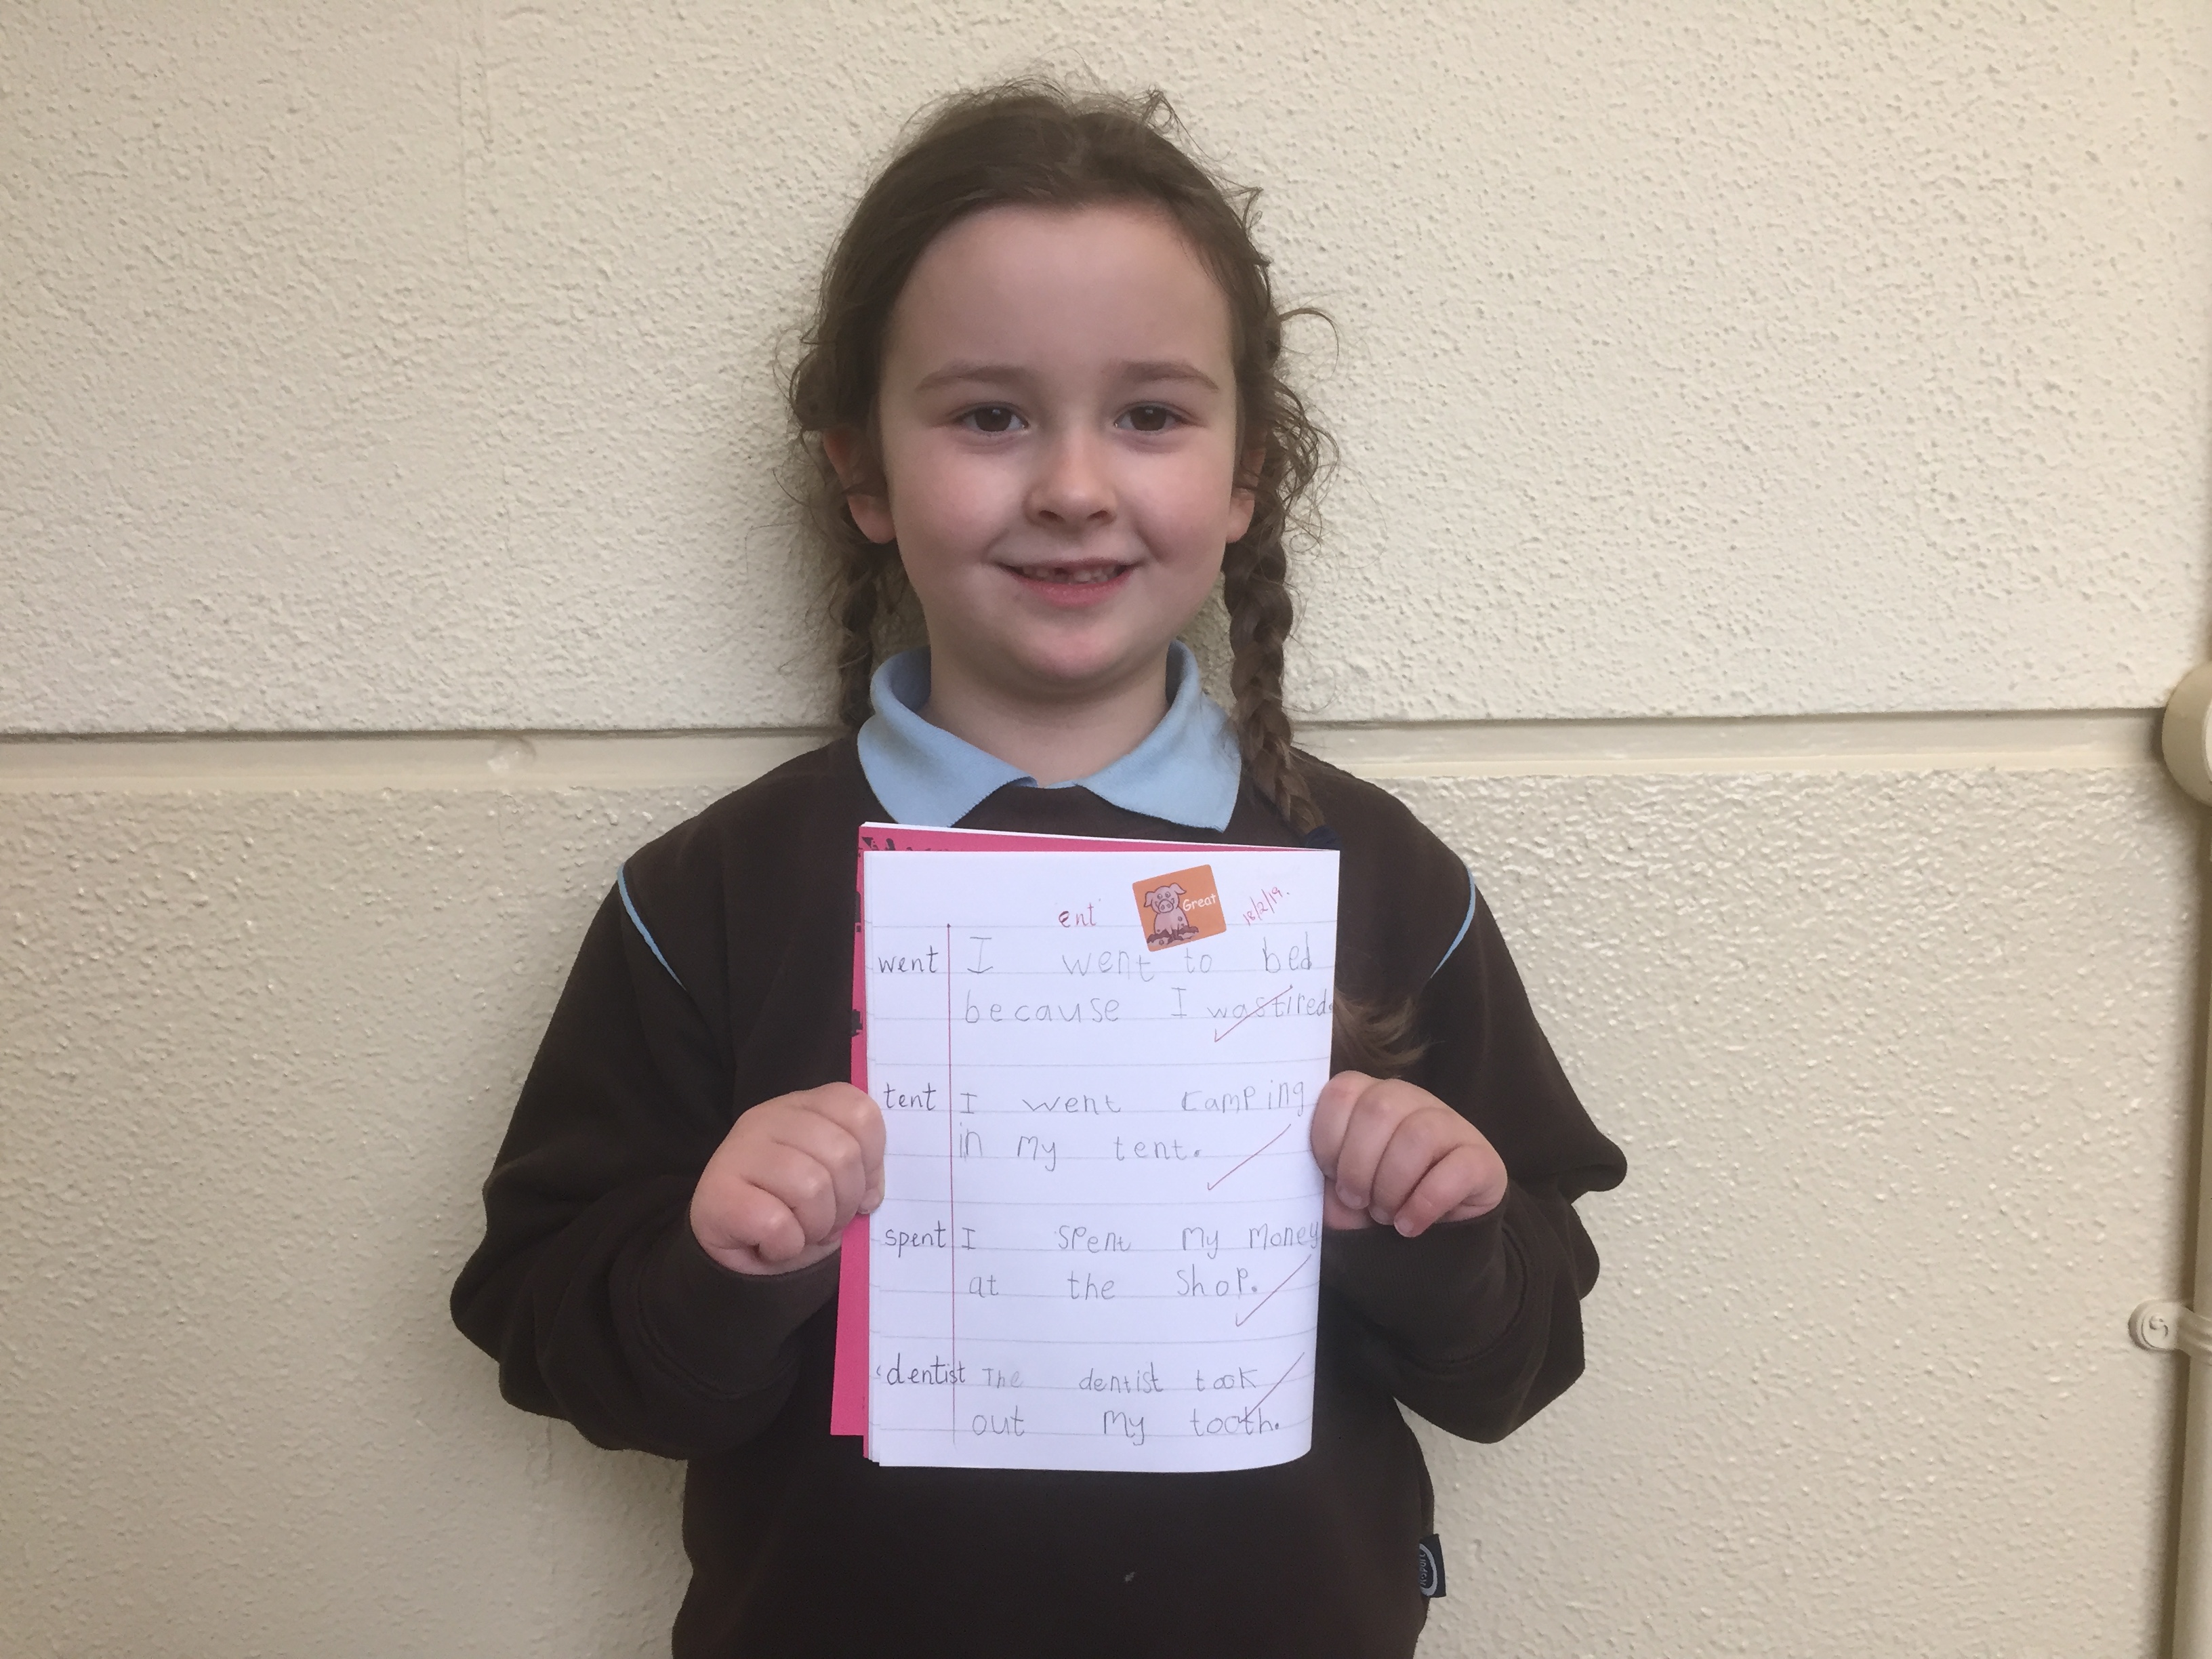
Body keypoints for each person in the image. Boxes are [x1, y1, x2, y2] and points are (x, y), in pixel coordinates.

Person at [451, 79, 1624, 1659]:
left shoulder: (1381, 881)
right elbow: (552, 1328)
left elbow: (1521, 1355)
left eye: (1150, 414)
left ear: (1247, 471)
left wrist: (1440, 1231)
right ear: (864, 473)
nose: (1074, 485)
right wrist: (719, 1264)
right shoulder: (709, 900)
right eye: (991, 415)